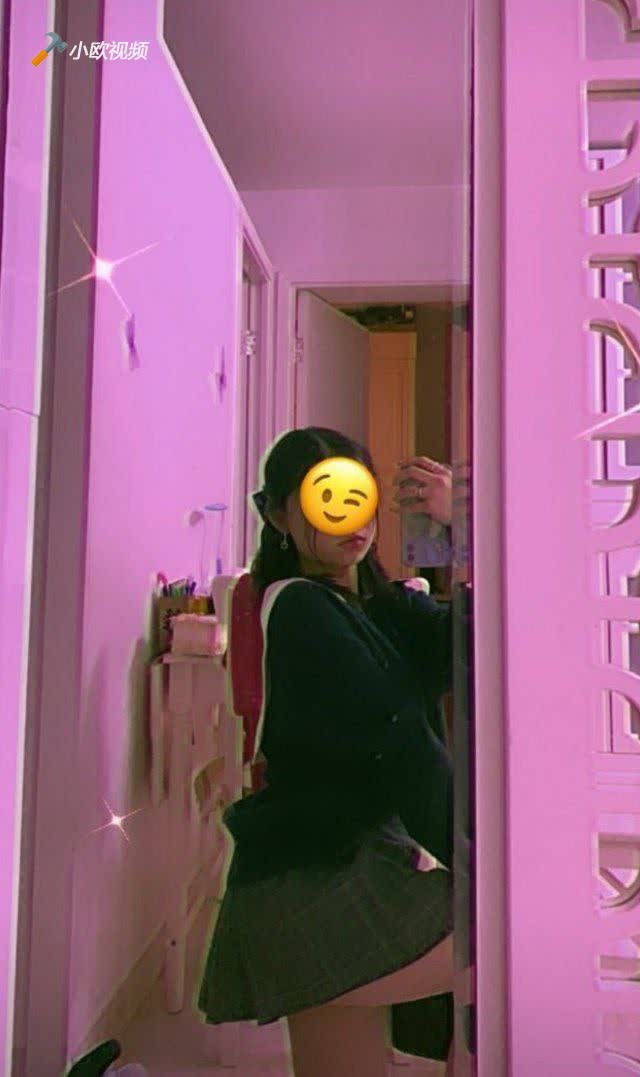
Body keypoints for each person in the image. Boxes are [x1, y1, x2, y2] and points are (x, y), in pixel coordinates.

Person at [197, 427, 456, 1077]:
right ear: (278, 514)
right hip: (322, 894)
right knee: (517, 933)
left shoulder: (369, 604)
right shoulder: (304, 610)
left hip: (304, 885)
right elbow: (404, 748)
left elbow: (479, 638)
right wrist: (483, 860)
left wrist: (460, 526)